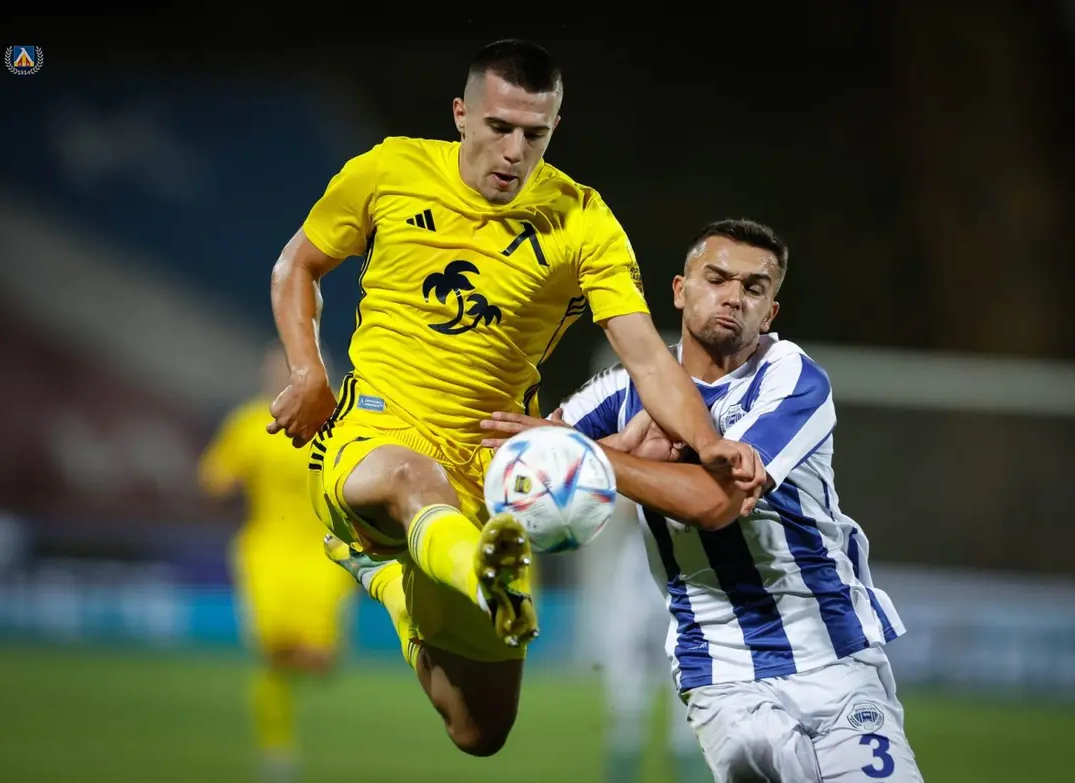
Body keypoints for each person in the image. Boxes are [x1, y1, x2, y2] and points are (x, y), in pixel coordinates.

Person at [265, 39, 766, 757]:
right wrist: (307, 372)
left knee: (479, 730)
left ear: (555, 127)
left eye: (534, 134)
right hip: (373, 434)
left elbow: (648, 358)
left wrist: (709, 441)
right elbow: (298, 265)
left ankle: (398, 584)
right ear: (461, 114)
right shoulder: (389, 169)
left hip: (487, 471)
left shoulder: (582, 221)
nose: (513, 151)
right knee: (411, 478)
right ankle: (476, 572)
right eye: (498, 127)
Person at [482, 218, 924, 781]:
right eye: (717, 279)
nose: (734, 297)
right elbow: (526, 473)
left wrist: (597, 459)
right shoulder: (622, 389)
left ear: (770, 313)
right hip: (722, 670)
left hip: (833, 654)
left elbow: (716, 504)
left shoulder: (790, 378)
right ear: (680, 290)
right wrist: (616, 449)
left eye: (754, 288)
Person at [198, 345, 356, 783]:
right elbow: (213, 480)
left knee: (321, 660)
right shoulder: (250, 425)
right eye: (279, 369)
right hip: (267, 551)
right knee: (272, 653)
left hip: (324, 553)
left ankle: (294, 671)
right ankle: (276, 751)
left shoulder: (339, 424)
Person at [584, 496, 711, 783]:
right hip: (639, 577)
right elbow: (629, 509)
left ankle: (690, 769)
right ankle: (621, 772)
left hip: (687, 572)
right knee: (625, 703)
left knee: (688, 707)